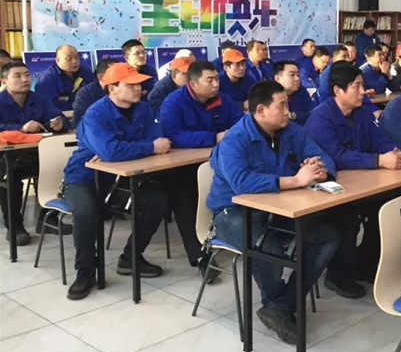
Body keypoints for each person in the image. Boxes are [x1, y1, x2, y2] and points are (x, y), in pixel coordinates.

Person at [208, 81, 339, 343]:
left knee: (327, 236)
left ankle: (280, 306)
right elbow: (241, 182)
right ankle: (278, 305)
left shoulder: (291, 131)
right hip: (233, 212)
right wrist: (296, 180)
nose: (288, 111)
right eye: (281, 106)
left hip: (277, 208)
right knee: (268, 249)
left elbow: (325, 157)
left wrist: (319, 170)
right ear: (260, 110)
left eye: (287, 104)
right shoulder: (235, 139)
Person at [61, 63, 171, 300]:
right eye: (131, 85)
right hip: (83, 178)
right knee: (86, 211)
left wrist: (124, 150)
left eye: (139, 83)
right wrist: (145, 148)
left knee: (157, 201)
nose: (138, 88)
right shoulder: (95, 114)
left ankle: (130, 258)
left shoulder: (143, 109)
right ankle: (85, 271)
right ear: (112, 88)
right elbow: (113, 151)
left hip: (118, 179)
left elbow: (159, 140)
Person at [304, 63, 401, 294]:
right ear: (338, 90)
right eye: (356, 86)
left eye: (362, 85)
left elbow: (380, 139)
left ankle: (365, 264)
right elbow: (336, 156)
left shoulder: (362, 113)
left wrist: (393, 151)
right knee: (346, 220)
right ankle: (338, 276)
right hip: (327, 189)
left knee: (388, 206)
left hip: (360, 183)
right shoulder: (320, 119)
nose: (363, 91)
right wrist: (378, 161)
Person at [158, 61, 243, 275]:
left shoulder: (223, 100)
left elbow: (241, 123)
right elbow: (172, 135)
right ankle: (198, 255)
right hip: (181, 167)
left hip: (215, 161)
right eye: (210, 80)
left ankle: (239, 235)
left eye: (217, 79)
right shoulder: (173, 102)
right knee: (184, 195)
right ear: (194, 84)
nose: (216, 84)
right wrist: (212, 137)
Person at [0, 62, 71, 245]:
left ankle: (48, 219)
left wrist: (59, 124)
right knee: (10, 177)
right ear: (4, 81)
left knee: (63, 166)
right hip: (6, 158)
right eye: (17, 76)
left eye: (26, 74)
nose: (25, 79)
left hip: (35, 154)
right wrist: (19, 129)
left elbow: (61, 118)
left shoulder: (37, 98)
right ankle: (15, 227)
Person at [34, 44, 94, 111]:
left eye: (76, 58)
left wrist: (66, 99)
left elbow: (93, 97)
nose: (74, 61)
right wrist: (76, 104)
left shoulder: (87, 73)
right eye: (69, 59)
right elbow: (49, 105)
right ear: (57, 60)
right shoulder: (47, 79)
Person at [73, 58, 117, 126]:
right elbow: (80, 120)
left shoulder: (126, 90)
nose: (120, 77)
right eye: (115, 73)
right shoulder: (85, 93)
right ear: (100, 77)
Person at [273, 60, 316, 125]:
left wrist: (294, 115)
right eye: (292, 75)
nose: (297, 79)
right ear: (278, 79)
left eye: (298, 75)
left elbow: (311, 113)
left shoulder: (302, 91)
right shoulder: (271, 96)